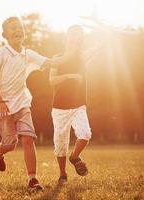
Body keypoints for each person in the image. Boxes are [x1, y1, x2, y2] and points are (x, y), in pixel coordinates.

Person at [0, 16, 77, 190]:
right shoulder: (0, 54)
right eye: (13, 28)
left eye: (19, 27)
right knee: (10, 144)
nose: (17, 30)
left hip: (22, 103)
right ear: (4, 34)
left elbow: (52, 62)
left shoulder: (28, 54)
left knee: (28, 138)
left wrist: (72, 50)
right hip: (3, 106)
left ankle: (32, 179)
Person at [49, 25, 97, 184]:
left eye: (79, 34)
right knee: (60, 143)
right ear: (67, 36)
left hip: (78, 105)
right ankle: (62, 174)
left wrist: (102, 29)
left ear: (81, 38)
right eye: (73, 34)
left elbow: (100, 46)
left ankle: (75, 157)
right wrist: (70, 76)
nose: (76, 37)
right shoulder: (58, 56)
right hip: (59, 108)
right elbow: (52, 80)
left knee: (85, 134)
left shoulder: (82, 56)